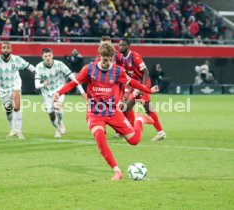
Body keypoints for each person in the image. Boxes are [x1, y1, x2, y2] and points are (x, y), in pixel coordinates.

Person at [54, 44, 159, 180]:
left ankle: (139, 119)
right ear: (99, 57)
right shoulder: (89, 69)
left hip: (112, 112)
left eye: (109, 60)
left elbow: (132, 82)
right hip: (95, 113)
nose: (107, 62)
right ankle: (117, 171)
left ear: (112, 58)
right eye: (104, 59)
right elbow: (72, 84)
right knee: (99, 136)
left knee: (134, 141)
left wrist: (149, 90)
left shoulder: (118, 71)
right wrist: (58, 92)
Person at [118, 38, 166, 141]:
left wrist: (142, 88)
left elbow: (146, 72)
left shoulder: (135, 56)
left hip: (143, 83)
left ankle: (131, 132)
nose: (120, 47)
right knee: (146, 109)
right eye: (119, 45)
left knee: (127, 108)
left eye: (123, 45)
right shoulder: (122, 58)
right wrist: (126, 91)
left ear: (128, 46)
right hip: (135, 85)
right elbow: (127, 77)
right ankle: (160, 132)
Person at [0, 41, 36, 139]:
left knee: (17, 107)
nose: (5, 50)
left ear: (11, 49)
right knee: (8, 108)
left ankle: (19, 131)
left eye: (7, 48)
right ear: (1, 49)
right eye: (4, 48)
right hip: (3, 89)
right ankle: (13, 129)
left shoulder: (16, 59)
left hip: (15, 85)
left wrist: (37, 74)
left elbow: (29, 66)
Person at [35, 48, 86, 138]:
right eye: (45, 56)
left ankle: (59, 127)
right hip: (47, 93)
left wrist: (82, 91)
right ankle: (58, 126)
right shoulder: (39, 67)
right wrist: (43, 84)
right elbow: (37, 85)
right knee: (51, 114)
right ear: (42, 57)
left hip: (59, 90)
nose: (48, 58)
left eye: (49, 55)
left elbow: (73, 78)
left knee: (57, 107)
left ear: (52, 55)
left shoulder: (59, 64)